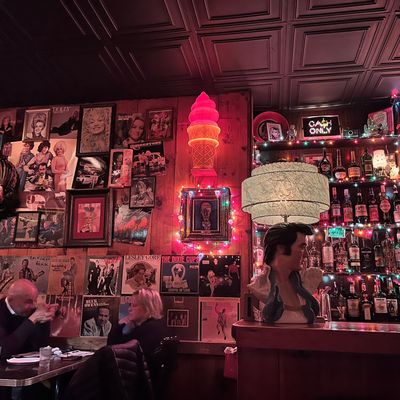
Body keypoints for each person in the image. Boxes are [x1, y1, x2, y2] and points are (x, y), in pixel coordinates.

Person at [247, 223, 322, 324]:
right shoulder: (261, 287)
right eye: (301, 247)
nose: (306, 254)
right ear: (281, 248)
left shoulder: (304, 284)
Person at [107, 288, 168, 373]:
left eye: (134, 305)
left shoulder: (147, 330)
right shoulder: (157, 325)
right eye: (130, 305)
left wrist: (121, 325)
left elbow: (112, 349)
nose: (129, 309)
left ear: (147, 307)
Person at [0, 279, 58, 360]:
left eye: (35, 300)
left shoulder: (30, 311)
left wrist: (44, 320)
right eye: (28, 301)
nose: (34, 305)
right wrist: (32, 319)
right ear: (11, 299)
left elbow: (40, 347)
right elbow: (3, 351)